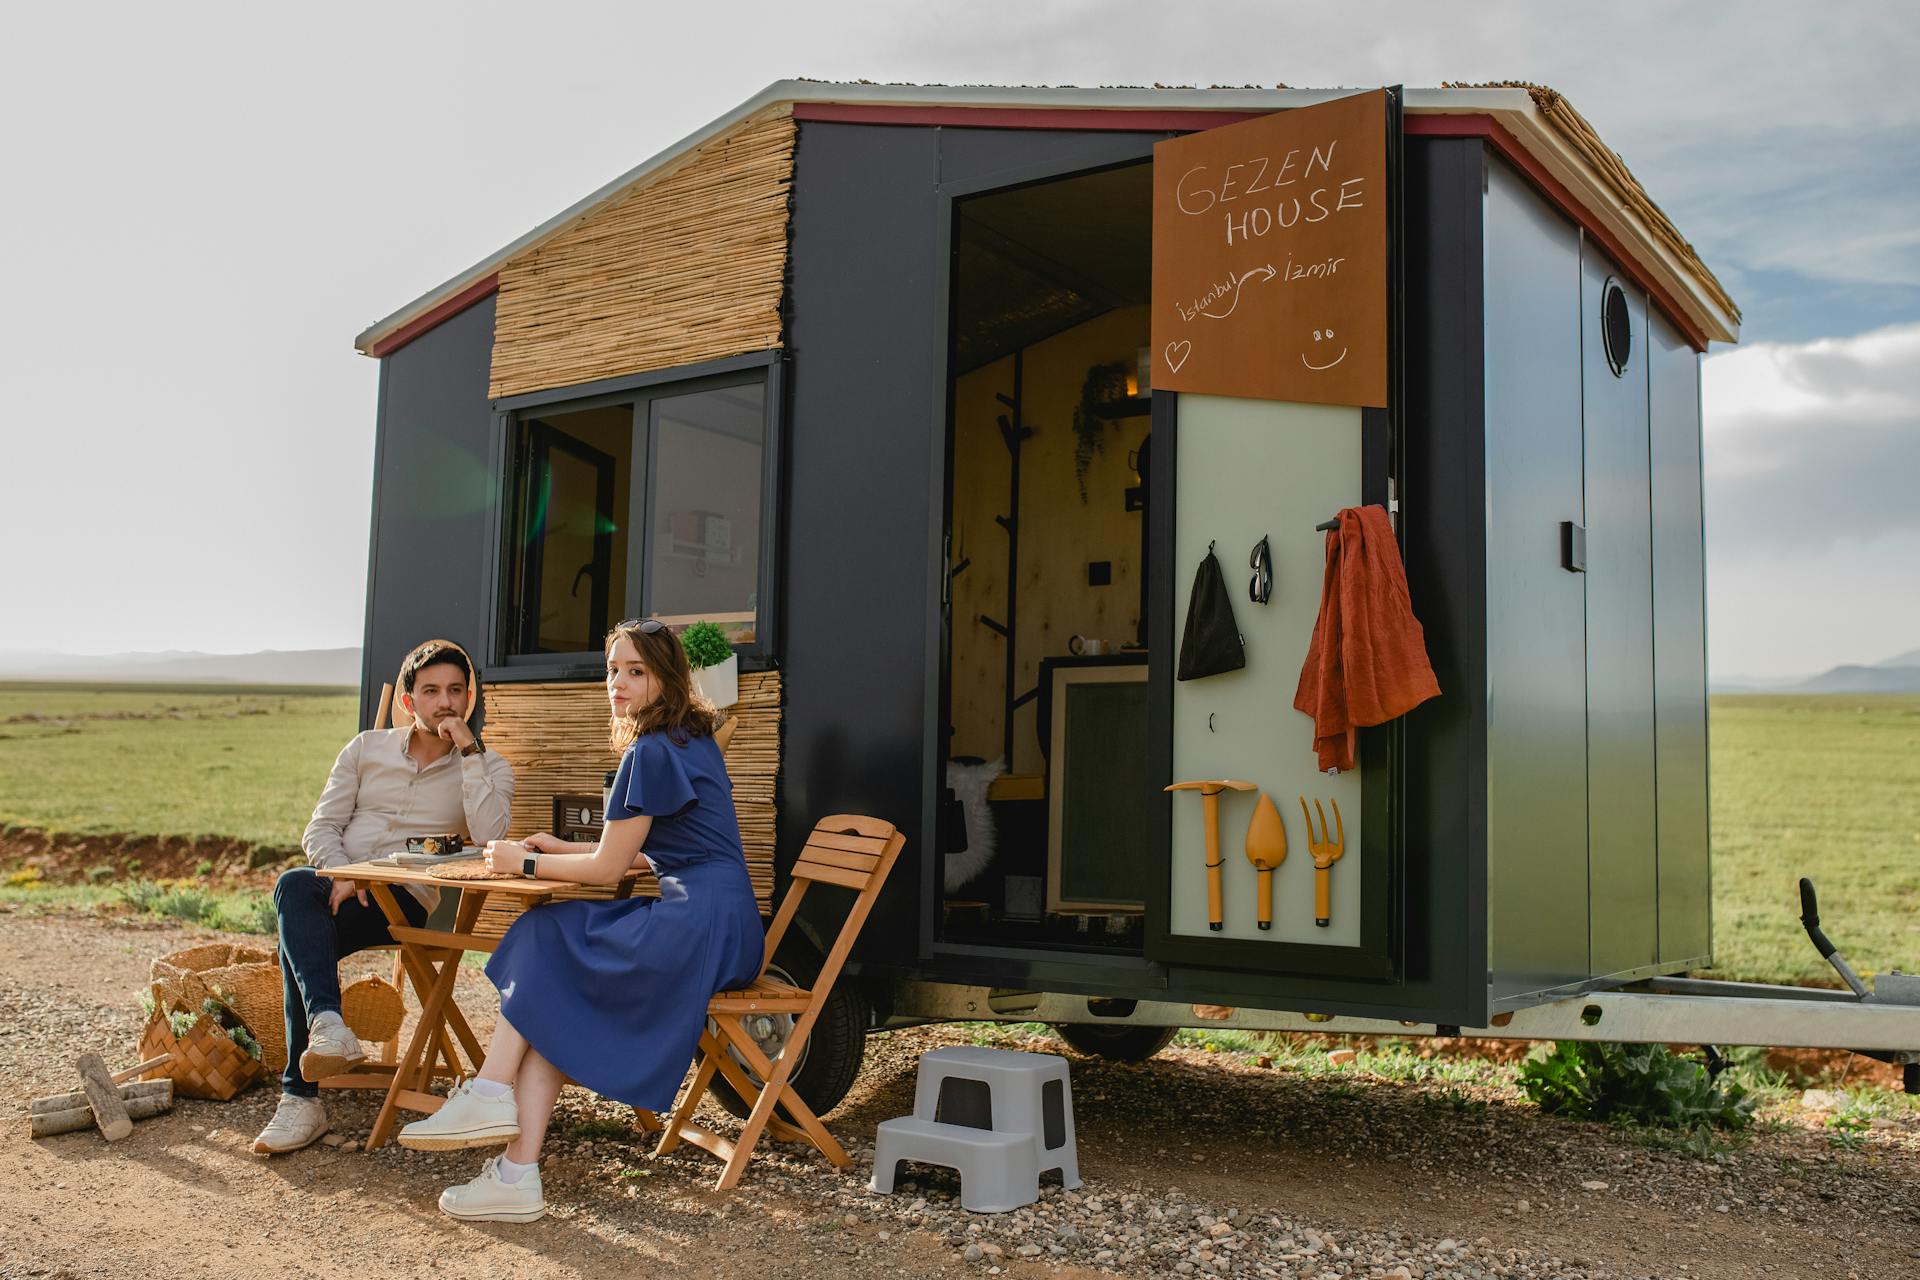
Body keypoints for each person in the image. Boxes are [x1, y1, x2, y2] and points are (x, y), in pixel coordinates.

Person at [395, 618, 761, 1224]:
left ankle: (489, 1092)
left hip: (697, 930)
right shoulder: (686, 738)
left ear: (667, 677)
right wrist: (560, 850)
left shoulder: (649, 751)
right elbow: (652, 853)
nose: (617, 683)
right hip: (725, 924)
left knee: (546, 930)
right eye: (613, 669)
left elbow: (611, 870)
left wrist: (524, 859)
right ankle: (517, 1174)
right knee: (552, 996)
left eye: (635, 671)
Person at [250, 639, 515, 1156]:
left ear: (469, 701)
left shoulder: (488, 765)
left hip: (406, 900)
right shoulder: (365, 748)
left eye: (456, 692)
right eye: (432, 691)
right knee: (295, 887)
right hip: (338, 889)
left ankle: (301, 1098)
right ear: (409, 701)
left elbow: (490, 837)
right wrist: (346, 874)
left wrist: (468, 752)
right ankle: (329, 1030)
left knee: (296, 937)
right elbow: (321, 828)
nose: (445, 702)